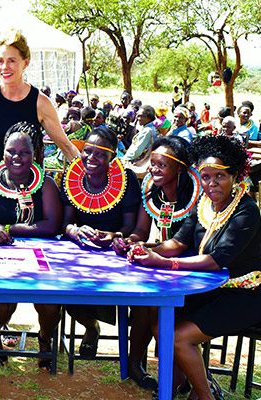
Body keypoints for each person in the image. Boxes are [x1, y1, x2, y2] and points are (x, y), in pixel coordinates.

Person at [128, 135, 261, 400]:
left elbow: (214, 260)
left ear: (235, 176)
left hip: (245, 295)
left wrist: (164, 263)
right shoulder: (203, 205)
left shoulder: (246, 212)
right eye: (206, 176)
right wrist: (147, 250)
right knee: (162, 321)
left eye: (220, 176)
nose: (212, 184)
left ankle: (205, 395)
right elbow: (178, 241)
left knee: (177, 336)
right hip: (209, 289)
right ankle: (182, 383)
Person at [0, 122, 62, 371]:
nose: (17, 157)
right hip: (0, 259)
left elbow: (51, 226)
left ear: (35, 153)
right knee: (1, 302)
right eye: (11, 151)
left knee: (50, 306)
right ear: (3, 152)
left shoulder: (47, 184)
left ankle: (44, 340)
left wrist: (9, 229)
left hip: (42, 259)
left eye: (24, 152)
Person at [113, 136, 201, 391]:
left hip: (190, 268)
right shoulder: (151, 192)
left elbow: (182, 244)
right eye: (152, 163)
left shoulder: (195, 198)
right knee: (145, 303)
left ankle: (178, 373)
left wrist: (150, 253)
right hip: (160, 264)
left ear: (180, 169)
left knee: (157, 305)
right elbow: (141, 230)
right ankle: (136, 365)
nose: (153, 169)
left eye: (161, 165)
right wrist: (129, 241)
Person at [0, 29, 79, 177]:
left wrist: (89, 174)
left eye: (12, 61)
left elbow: (66, 146)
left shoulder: (41, 103)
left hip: (28, 180)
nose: (5, 67)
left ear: (26, 62)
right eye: (1, 61)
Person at [60, 126, 140, 360]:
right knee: (67, 293)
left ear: (112, 157)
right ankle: (90, 326)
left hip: (113, 252)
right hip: (79, 251)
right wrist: (75, 230)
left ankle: (131, 359)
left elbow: (129, 226)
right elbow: (64, 223)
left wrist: (114, 235)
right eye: (88, 151)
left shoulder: (127, 180)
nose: (91, 158)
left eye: (100, 154)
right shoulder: (70, 175)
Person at [121, 105, 158, 177]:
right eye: (138, 116)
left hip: (141, 163)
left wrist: (124, 160)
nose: (139, 119)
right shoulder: (150, 128)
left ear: (150, 118)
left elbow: (136, 151)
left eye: (143, 116)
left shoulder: (147, 131)